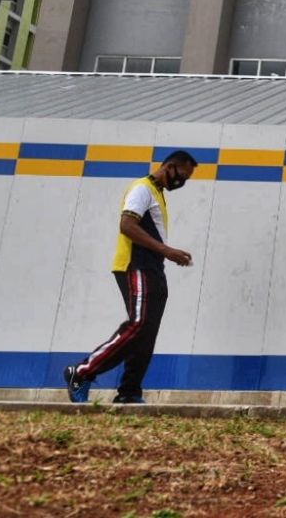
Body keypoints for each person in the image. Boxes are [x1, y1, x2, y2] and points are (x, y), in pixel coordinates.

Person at [63, 151, 199, 404]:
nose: (182, 182)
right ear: (169, 167)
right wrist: (166, 250)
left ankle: (129, 393)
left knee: (146, 334)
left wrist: (164, 255)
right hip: (136, 266)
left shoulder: (157, 193)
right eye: (182, 175)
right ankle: (81, 372)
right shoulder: (142, 188)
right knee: (139, 325)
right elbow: (127, 225)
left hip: (153, 269)